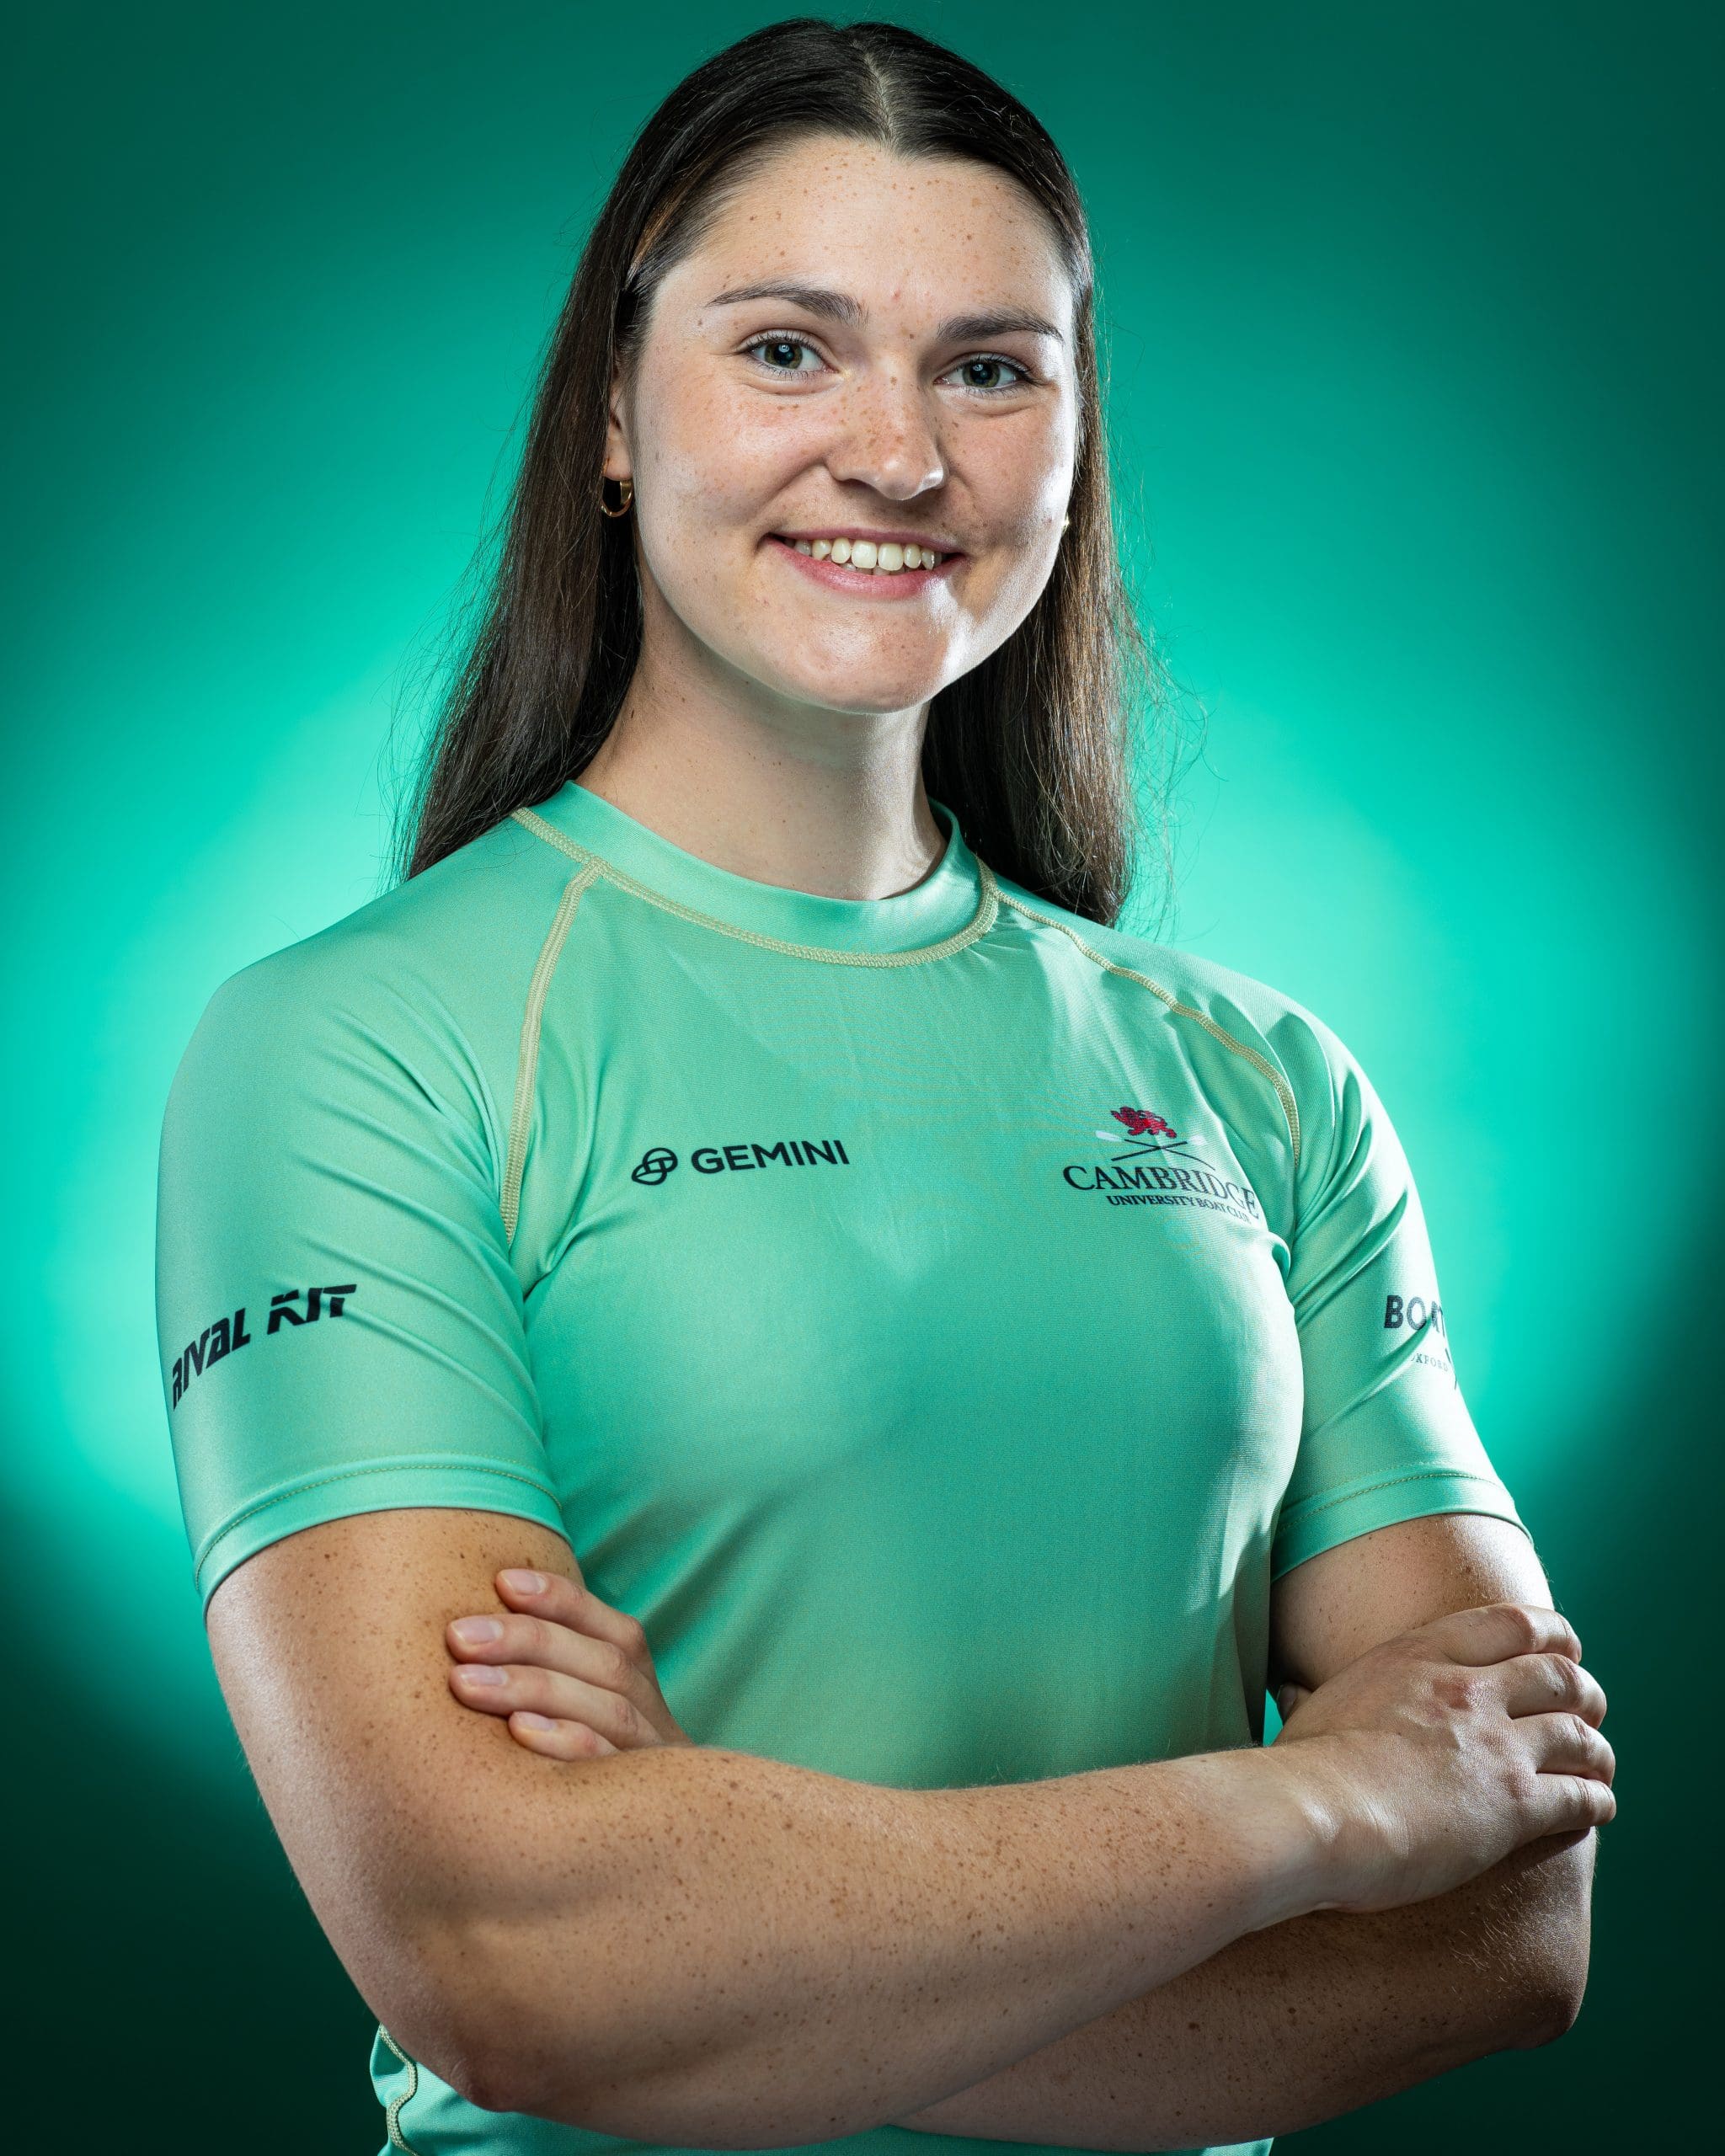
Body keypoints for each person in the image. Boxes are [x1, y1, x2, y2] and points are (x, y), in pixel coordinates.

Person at [152, 18, 1614, 2156]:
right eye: (786, 350)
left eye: (990, 368)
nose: (898, 453)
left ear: (1075, 438)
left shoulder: (1262, 1080)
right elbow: (500, 1956)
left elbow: (1513, 1923)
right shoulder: (356, 1045)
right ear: (612, 417)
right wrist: (1318, 1802)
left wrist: (724, 1907)